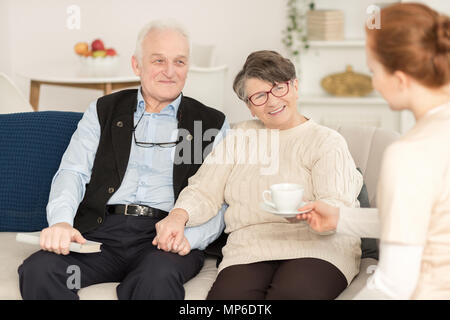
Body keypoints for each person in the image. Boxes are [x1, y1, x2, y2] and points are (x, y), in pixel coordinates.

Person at [17, 20, 229, 300]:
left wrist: (190, 238)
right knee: (41, 270)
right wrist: (61, 222)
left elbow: (220, 200)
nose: (169, 71)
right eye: (158, 60)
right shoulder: (105, 110)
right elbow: (73, 172)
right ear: (136, 65)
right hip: (100, 237)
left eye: (179, 61)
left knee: (156, 279)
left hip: (163, 241)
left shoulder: (209, 122)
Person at [153, 50, 364, 300]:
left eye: (278, 88)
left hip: (317, 247)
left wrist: (311, 214)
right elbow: (204, 190)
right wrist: (178, 217)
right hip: (249, 247)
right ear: (250, 107)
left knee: (292, 295)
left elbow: (336, 204)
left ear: (295, 86)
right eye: (259, 96)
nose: (272, 101)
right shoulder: (238, 138)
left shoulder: (326, 141)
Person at [297, 3, 450, 300]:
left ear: (400, 78)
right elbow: (428, 218)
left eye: (373, 71)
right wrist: (341, 219)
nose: (374, 83)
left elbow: (394, 284)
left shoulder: (409, 154)